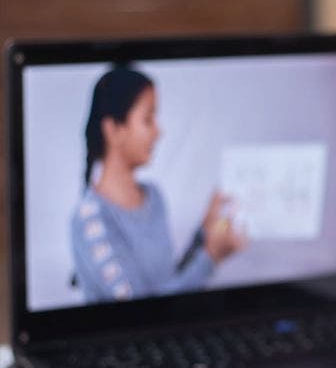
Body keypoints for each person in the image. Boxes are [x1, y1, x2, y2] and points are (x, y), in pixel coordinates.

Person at [70, 66, 244, 303]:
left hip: (169, 334)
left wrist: (205, 232)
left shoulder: (154, 196)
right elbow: (141, 311)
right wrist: (211, 258)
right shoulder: (89, 220)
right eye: (148, 119)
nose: (159, 132)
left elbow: (167, 285)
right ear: (114, 130)